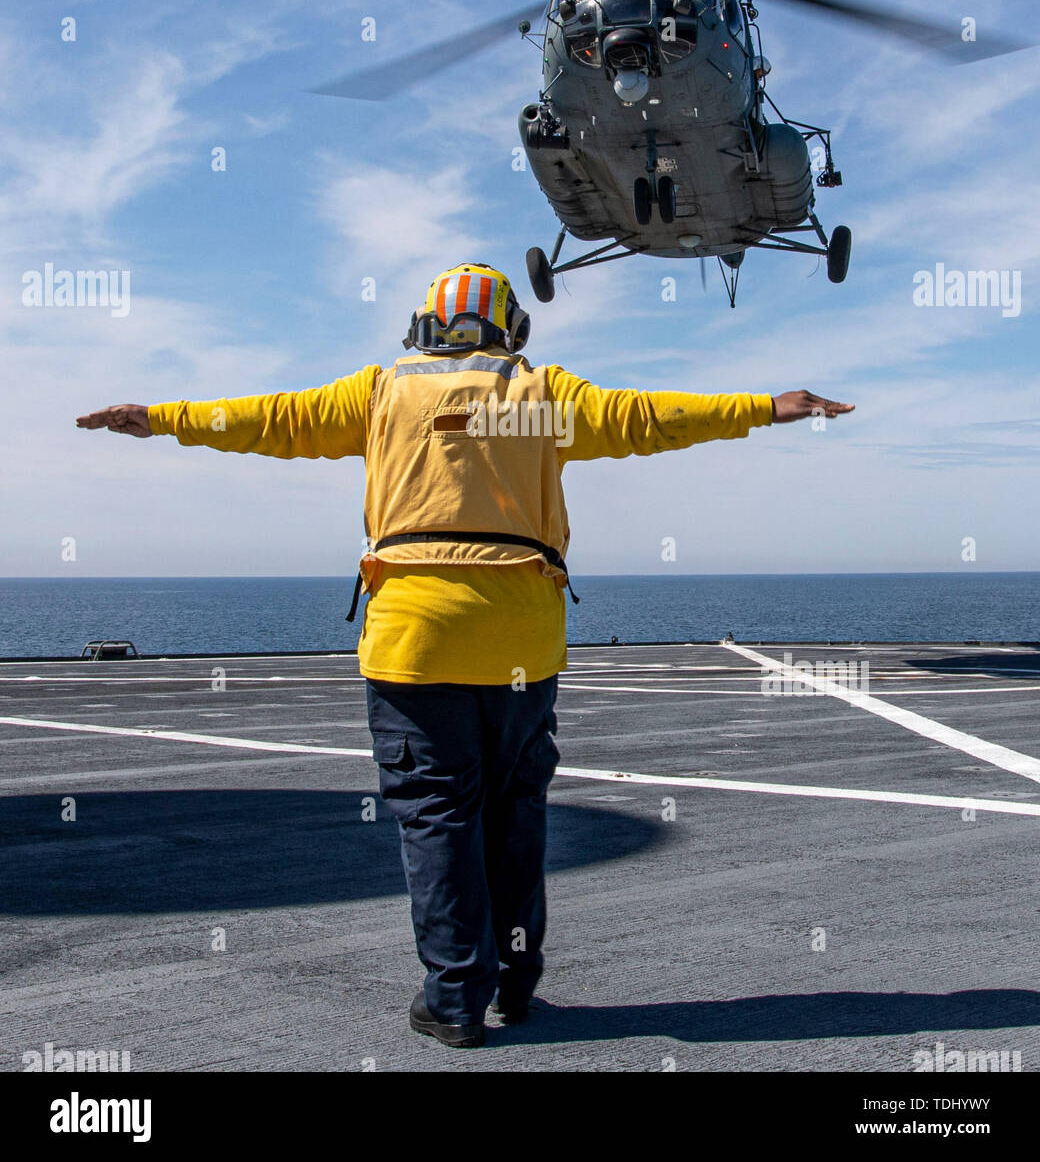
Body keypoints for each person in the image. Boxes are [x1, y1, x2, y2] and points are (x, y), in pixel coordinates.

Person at [76, 261, 854, 1048]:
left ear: (422, 328)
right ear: (511, 331)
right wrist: (764, 406)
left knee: (438, 817)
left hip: (415, 645)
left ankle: (454, 999)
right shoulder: (543, 397)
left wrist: (162, 416)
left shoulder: (380, 394)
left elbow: (268, 419)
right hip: (519, 642)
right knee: (515, 814)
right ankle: (515, 985)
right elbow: (650, 416)